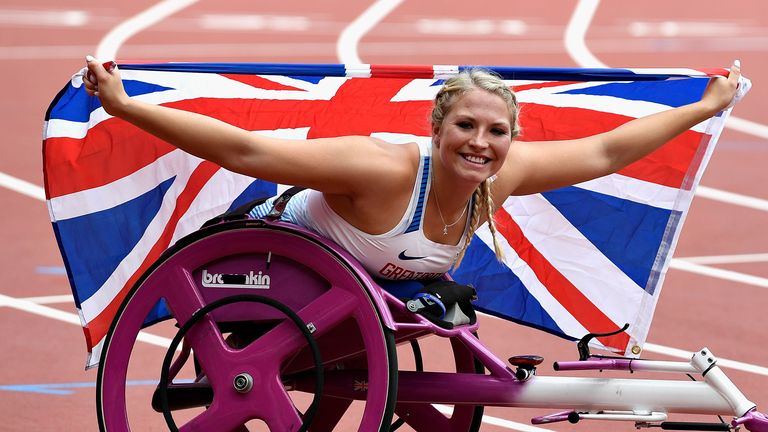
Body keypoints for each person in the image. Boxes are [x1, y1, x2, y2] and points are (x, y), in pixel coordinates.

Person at [83, 56, 744, 282]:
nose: (480, 144)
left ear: (511, 138)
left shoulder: (501, 178)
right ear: (435, 129)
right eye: (465, 126)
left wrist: (704, 107)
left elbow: (606, 151)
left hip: (364, 297)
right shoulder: (381, 169)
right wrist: (123, 104)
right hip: (264, 270)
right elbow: (247, 153)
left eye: (495, 132)